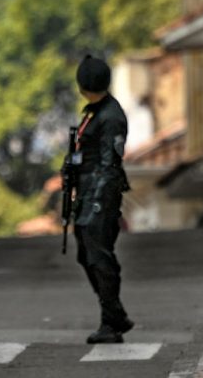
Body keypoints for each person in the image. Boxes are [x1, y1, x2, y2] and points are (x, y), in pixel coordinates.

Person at [71, 55, 134, 344]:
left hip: (100, 196)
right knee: (87, 255)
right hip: (87, 194)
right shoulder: (94, 113)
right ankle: (115, 314)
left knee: (99, 256)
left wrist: (96, 201)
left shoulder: (110, 116)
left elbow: (110, 164)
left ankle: (111, 320)